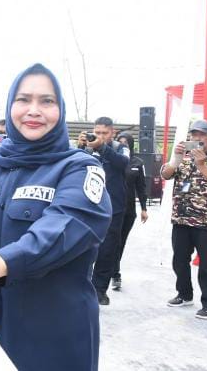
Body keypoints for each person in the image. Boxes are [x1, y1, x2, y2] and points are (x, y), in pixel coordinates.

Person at [0, 63, 112, 371]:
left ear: (61, 110)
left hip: (48, 337)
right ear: (9, 106)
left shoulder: (79, 169)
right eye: (23, 99)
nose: (34, 110)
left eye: (47, 101)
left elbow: (65, 227)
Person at [160, 119, 207, 319]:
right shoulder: (184, 155)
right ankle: (184, 294)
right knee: (179, 260)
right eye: (194, 135)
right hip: (181, 218)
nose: (197, 139)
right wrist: (175, 158)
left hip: (205, 221)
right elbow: (165, 175)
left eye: (202, 135)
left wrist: (201, 165)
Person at [77, 116, 129, 305]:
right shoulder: (88, 148)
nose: (99, 136)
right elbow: (71, 163)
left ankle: (100, 289)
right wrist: (81, 147)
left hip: (113, 206)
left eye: (104, 133)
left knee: (107, 250)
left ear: (112, 133)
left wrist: (102, 147)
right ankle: (80, 285)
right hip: (86, 205)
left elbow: (123, 163)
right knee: (81, 246)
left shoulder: (119, 147)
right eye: (96, 132)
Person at [111, 131, 148, 291]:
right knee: (112, 242)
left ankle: (114, 272)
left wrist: (144, 208)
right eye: (121, 141)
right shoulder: (112, 159)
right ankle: (114, 273)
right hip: (111, 209)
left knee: (121, 243)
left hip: (129, 211)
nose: (123, 144)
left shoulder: (137, 163)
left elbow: (141, 187)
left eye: (126, 142)